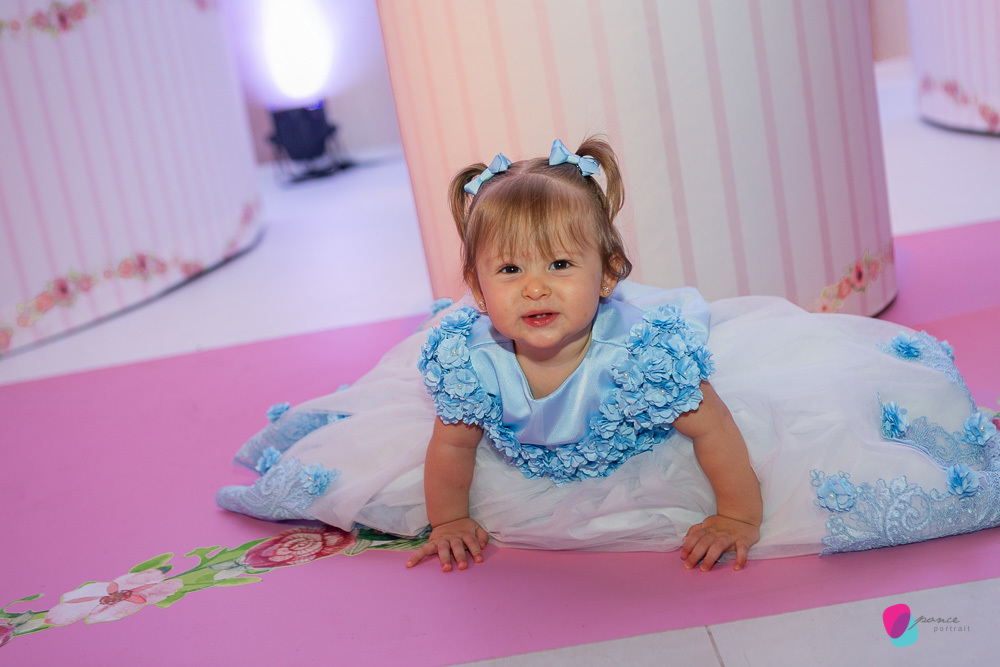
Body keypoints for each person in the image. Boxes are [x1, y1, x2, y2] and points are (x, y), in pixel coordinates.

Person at [217, 138, 1000, 573]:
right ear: (477, 288)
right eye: (509, 270)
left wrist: (737, 511)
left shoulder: (643, 358)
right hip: (531, 458)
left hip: (640, 440)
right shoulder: (470, 360)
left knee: (804, 415)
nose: (535, 287)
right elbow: (451, 448)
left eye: (561, 265)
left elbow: (715, 432)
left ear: (609, 274)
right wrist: (449, 518)